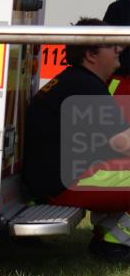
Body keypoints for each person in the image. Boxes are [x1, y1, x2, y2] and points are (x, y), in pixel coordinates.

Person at [23, 18, 130, 261]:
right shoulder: (85, 86)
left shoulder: (77, 80)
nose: (119, 49)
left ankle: (109, 235)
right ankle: (115, 244)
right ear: (91, 54)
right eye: (111, 44)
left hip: (56, 180)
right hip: (65, 184)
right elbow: (123, 144)